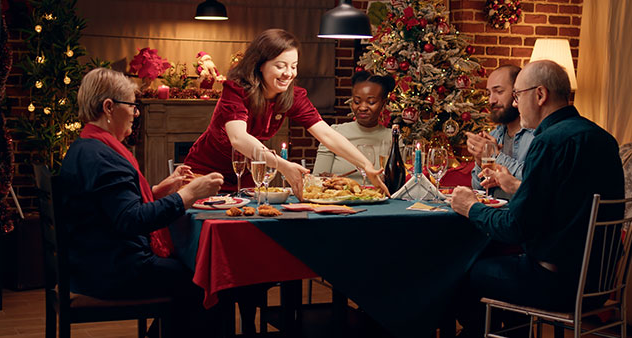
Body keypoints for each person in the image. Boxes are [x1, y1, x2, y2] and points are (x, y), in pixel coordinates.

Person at [449, 60, 625, 337]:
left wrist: (470, 208)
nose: (516, 105)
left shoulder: (549, 142)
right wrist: (516, 188)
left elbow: (515, 226)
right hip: (599, 284)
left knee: (462, 271)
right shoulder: (602, 137)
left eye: (517, 95)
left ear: (540, 95)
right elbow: (561, 204)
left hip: (556, 283)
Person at [58, 68, 225, 337]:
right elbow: (131, 219)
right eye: (132, 106)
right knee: (207, 279)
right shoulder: (105, 157)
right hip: (112, 271)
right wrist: (189, 194)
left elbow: (112, 208)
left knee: (199, 275)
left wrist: (159, 190)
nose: (136, 113)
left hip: (89, 264)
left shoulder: (87, 146)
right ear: (109, 107)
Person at [184, 29, 388, 197]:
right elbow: (238, 139)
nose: (288, 73)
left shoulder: (292, 96)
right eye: (280, 66)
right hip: (204, 173)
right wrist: (282, 165)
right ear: (259, 66)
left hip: (246, 180)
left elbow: (326, 134)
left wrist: (366, 165)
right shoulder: (236, 90)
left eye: (294, 66)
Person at [312, 71, 395, 182]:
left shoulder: (393, 138)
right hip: (342, 198)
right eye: (357, 101)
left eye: (371, 102)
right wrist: (327, 180)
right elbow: (317, 179)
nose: (362, 107)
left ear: (383, 104)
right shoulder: (334, 134)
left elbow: (400, 183)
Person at [466, 65, 534, 199]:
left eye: (499, 91)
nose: (491, 100)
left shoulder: (536, 136)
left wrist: (495, 155)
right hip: (492, 215)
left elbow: (533, 181)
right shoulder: (494, 135)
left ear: (517, 92)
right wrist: (480, 161)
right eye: (489, 93)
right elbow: (478, 189)